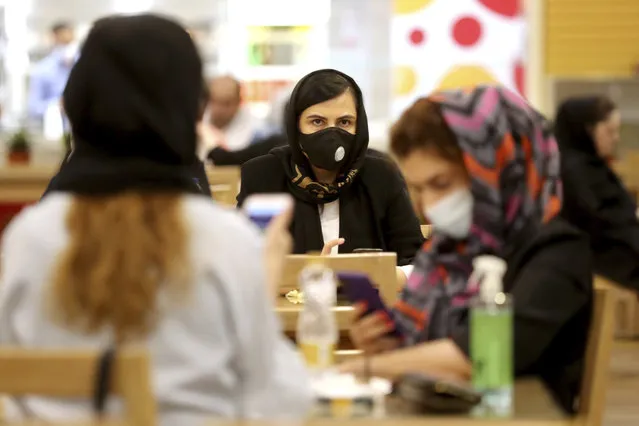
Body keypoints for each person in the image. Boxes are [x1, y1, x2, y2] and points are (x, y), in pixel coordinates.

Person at [0, 14, 311, 424]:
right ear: (193, 107)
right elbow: (274, 404)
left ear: (78, 101)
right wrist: (266, 276)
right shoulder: (225, 241)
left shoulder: (31, 237)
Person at [340, 86, 593, 414]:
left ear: (497, 167)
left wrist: (370, 368)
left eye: (441, 183)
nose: (429, 207)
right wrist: (385, 346)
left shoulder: (557, 251)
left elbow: (478, 356)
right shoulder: (450, 252)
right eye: (418, 189)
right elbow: (431, 351)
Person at [237, 69, 424, 274]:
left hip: (368, 303)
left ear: (358, 125)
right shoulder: (263, 176)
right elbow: (242, 264)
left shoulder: (381, 175)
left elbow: (417, 262)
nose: (332, 134)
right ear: (295, 124)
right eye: (317, 122)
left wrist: (372, 276)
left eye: (344, 122)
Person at [555, 96, 639, 292]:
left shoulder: (592, 165)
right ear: (587, 130)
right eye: (609, 131)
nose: (616, 138)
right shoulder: (574, 170)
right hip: (598, 256)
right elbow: (598, 221)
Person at [28, 21, 76, 122]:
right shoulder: (42, 69)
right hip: (55, 132)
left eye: (69, 42)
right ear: (53, 38)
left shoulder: (84, 66)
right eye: (62, 40)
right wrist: (57, 106)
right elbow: (33, 108)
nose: (68, 47)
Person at [207, 75, 262, 150]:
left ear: (238, 102)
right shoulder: (197, 122)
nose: (219, 109)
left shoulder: (258, 134)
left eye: (226, 103)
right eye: (214, 101)